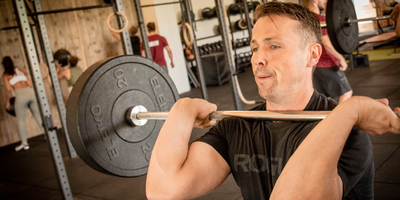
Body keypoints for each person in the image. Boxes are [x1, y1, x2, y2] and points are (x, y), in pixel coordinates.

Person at [146, 2, 400, 200]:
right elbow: (163, 191)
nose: (258, 58)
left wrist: (350, 111)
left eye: (274, 46)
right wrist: (182, 108)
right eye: (255, 47)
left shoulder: (349, 137)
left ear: (312, 54)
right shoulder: (237, 127)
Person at [308, 0, 353, 103]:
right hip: (327, 63)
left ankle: (326, 119)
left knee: (323, 98)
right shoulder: (320, 19)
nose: (326, 1)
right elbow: (327, 44)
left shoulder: (307, 19)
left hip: (315, 65)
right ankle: (339, 119)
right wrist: (341, 58)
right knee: (347, 93)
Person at [2, 56, 43, 151]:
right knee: (38, 116)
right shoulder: (20, 70)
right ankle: (47, 135)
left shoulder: (5, 75)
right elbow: (30, 84)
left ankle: (25, 143)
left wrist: (7, 101)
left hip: (20, 96)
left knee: (21, 120)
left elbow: (8, 90)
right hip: (31, 93)